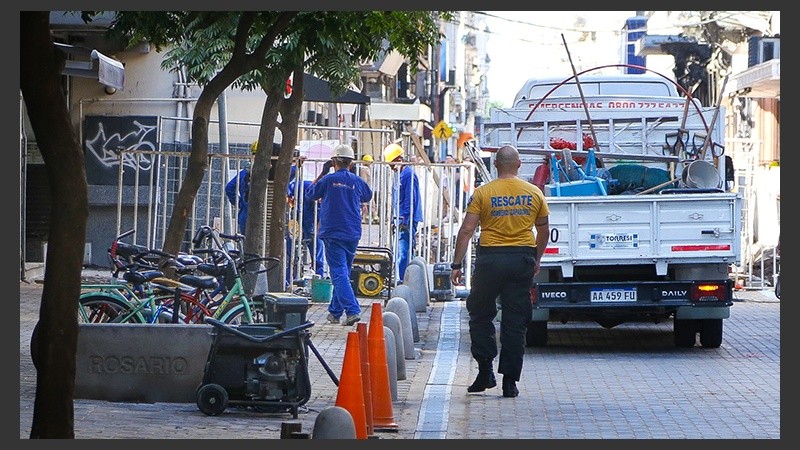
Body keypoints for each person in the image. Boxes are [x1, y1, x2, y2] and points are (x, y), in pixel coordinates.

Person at [449, 145, 550, 398]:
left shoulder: (483, 192)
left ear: (495, 165)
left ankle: (485, 371)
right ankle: (510, 382)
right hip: (521, 260)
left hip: (491, 260)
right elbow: (544, 230)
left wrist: (456, 264)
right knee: (516, 321)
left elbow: (466, 230)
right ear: (518, 164)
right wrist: (536, 259)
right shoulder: (534, 193)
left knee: (481, 313)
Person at [306, 144, 372, 326]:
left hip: (333, 232)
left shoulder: (328, 180)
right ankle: (335, 312)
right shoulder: (357, 181)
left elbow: (310, 193)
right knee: (343, 272)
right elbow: (368, 195)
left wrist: (322, 173)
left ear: (333, 161)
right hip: (352, 232)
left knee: (339, 272)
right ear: (351, 163)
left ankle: (352, 310)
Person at [383, 143, 423, 283]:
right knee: (401, 251)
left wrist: (405, 220)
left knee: (403, 253)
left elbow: (410, 199)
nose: (392, 169)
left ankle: (402, 281)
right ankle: (404, 279)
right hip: (401, 219)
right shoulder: (401, 174)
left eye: (392, 165)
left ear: (398, 160)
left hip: (406, 219)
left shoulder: (408, 174)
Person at [285, 165, 325, 288]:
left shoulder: (318, 194)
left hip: (310, 222)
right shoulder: (298, 187)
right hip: (297, 221)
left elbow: (322, 213)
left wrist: (317, 227)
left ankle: (319, 278)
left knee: (316, 251)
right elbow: (286, 190)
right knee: (291, 252)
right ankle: (288, 280)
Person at [225, 161, 250, 235]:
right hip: (266, 215)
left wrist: (240, 203)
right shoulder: (271, 174)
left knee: (246, 242)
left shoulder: (244, 173)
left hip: (245, 214)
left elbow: (229, 188)